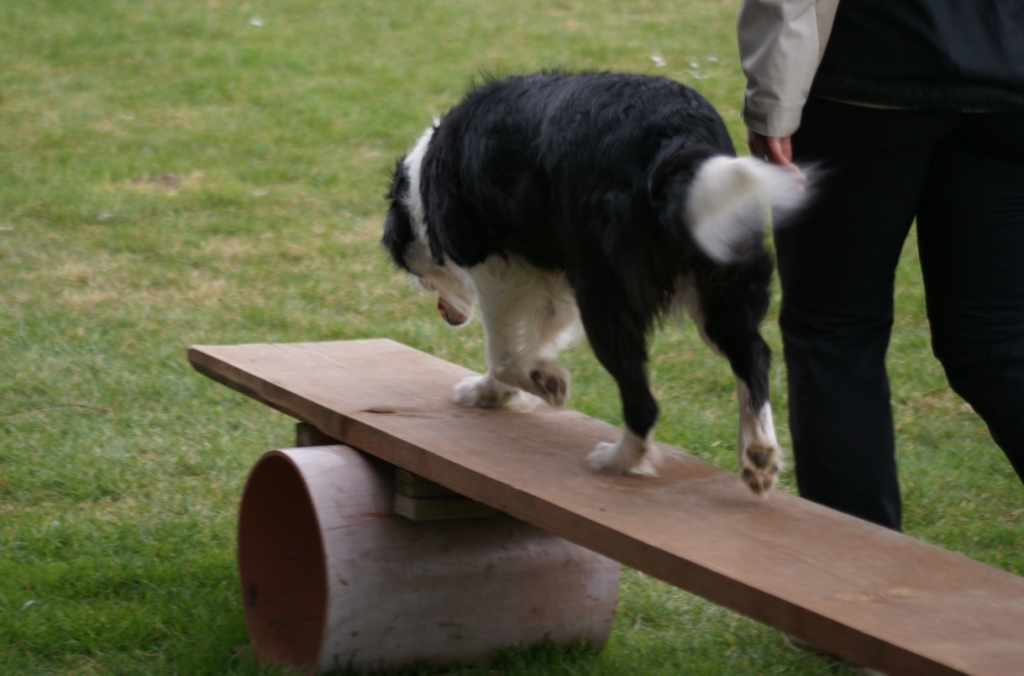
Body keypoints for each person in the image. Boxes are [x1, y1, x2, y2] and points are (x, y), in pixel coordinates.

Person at [736, 0, 1024, 530]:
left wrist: (772, 103)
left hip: (865, 73)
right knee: (997, 340)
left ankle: (857, 573)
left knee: (834, 334)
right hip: (1007, 76)